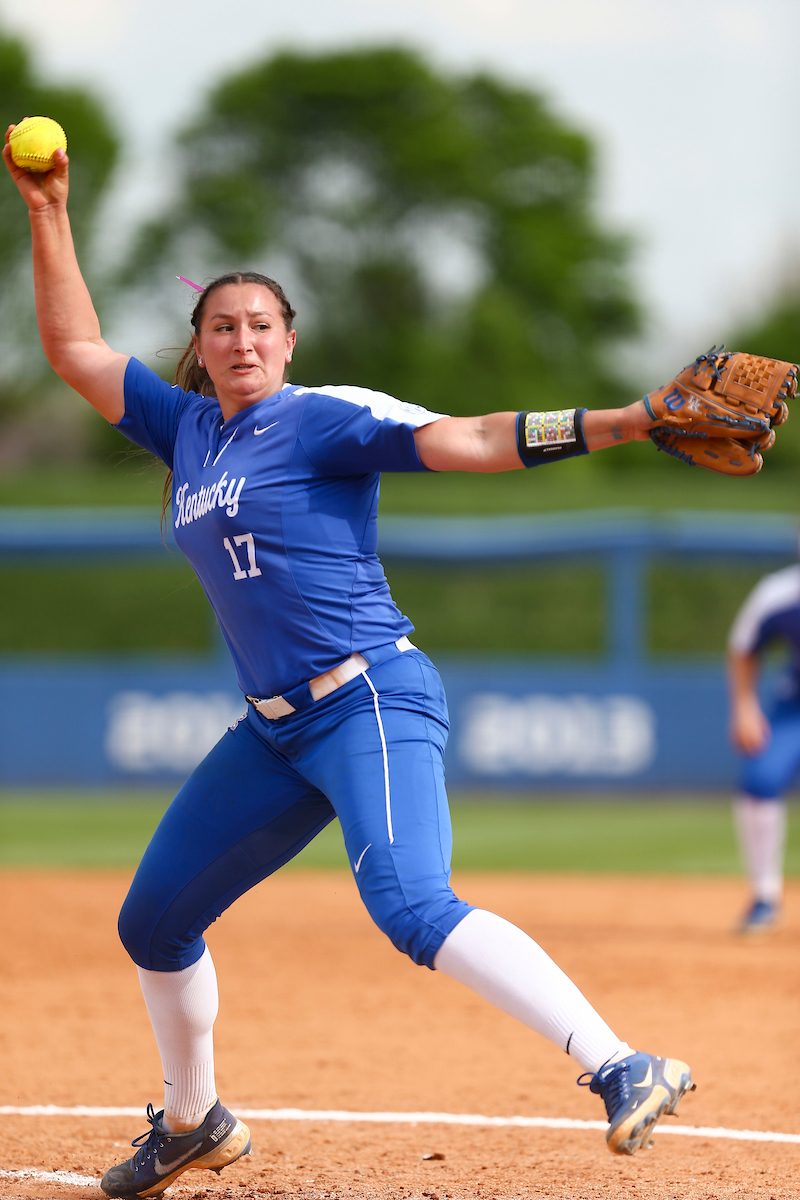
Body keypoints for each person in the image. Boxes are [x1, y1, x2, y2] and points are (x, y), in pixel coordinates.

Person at [4, 127, 695, 1198]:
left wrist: (631, 421)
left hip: (366, 693)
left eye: (260, 325)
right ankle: (193, 1122)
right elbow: (74, 353)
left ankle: (618, 1063)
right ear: (202, 345)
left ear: (287, 341)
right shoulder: (186, 430)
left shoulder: (324, 420)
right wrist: (48, 210)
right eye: (221, 326)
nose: (240, 341)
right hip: (273, 730)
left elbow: (470, 439)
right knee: (153, 922)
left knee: (411, 905)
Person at [728, 558, 800, 932]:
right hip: (794, 712)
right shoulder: (781, 592)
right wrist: (744, 706)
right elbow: (743, 645)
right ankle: (764, 895)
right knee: (760, 780)